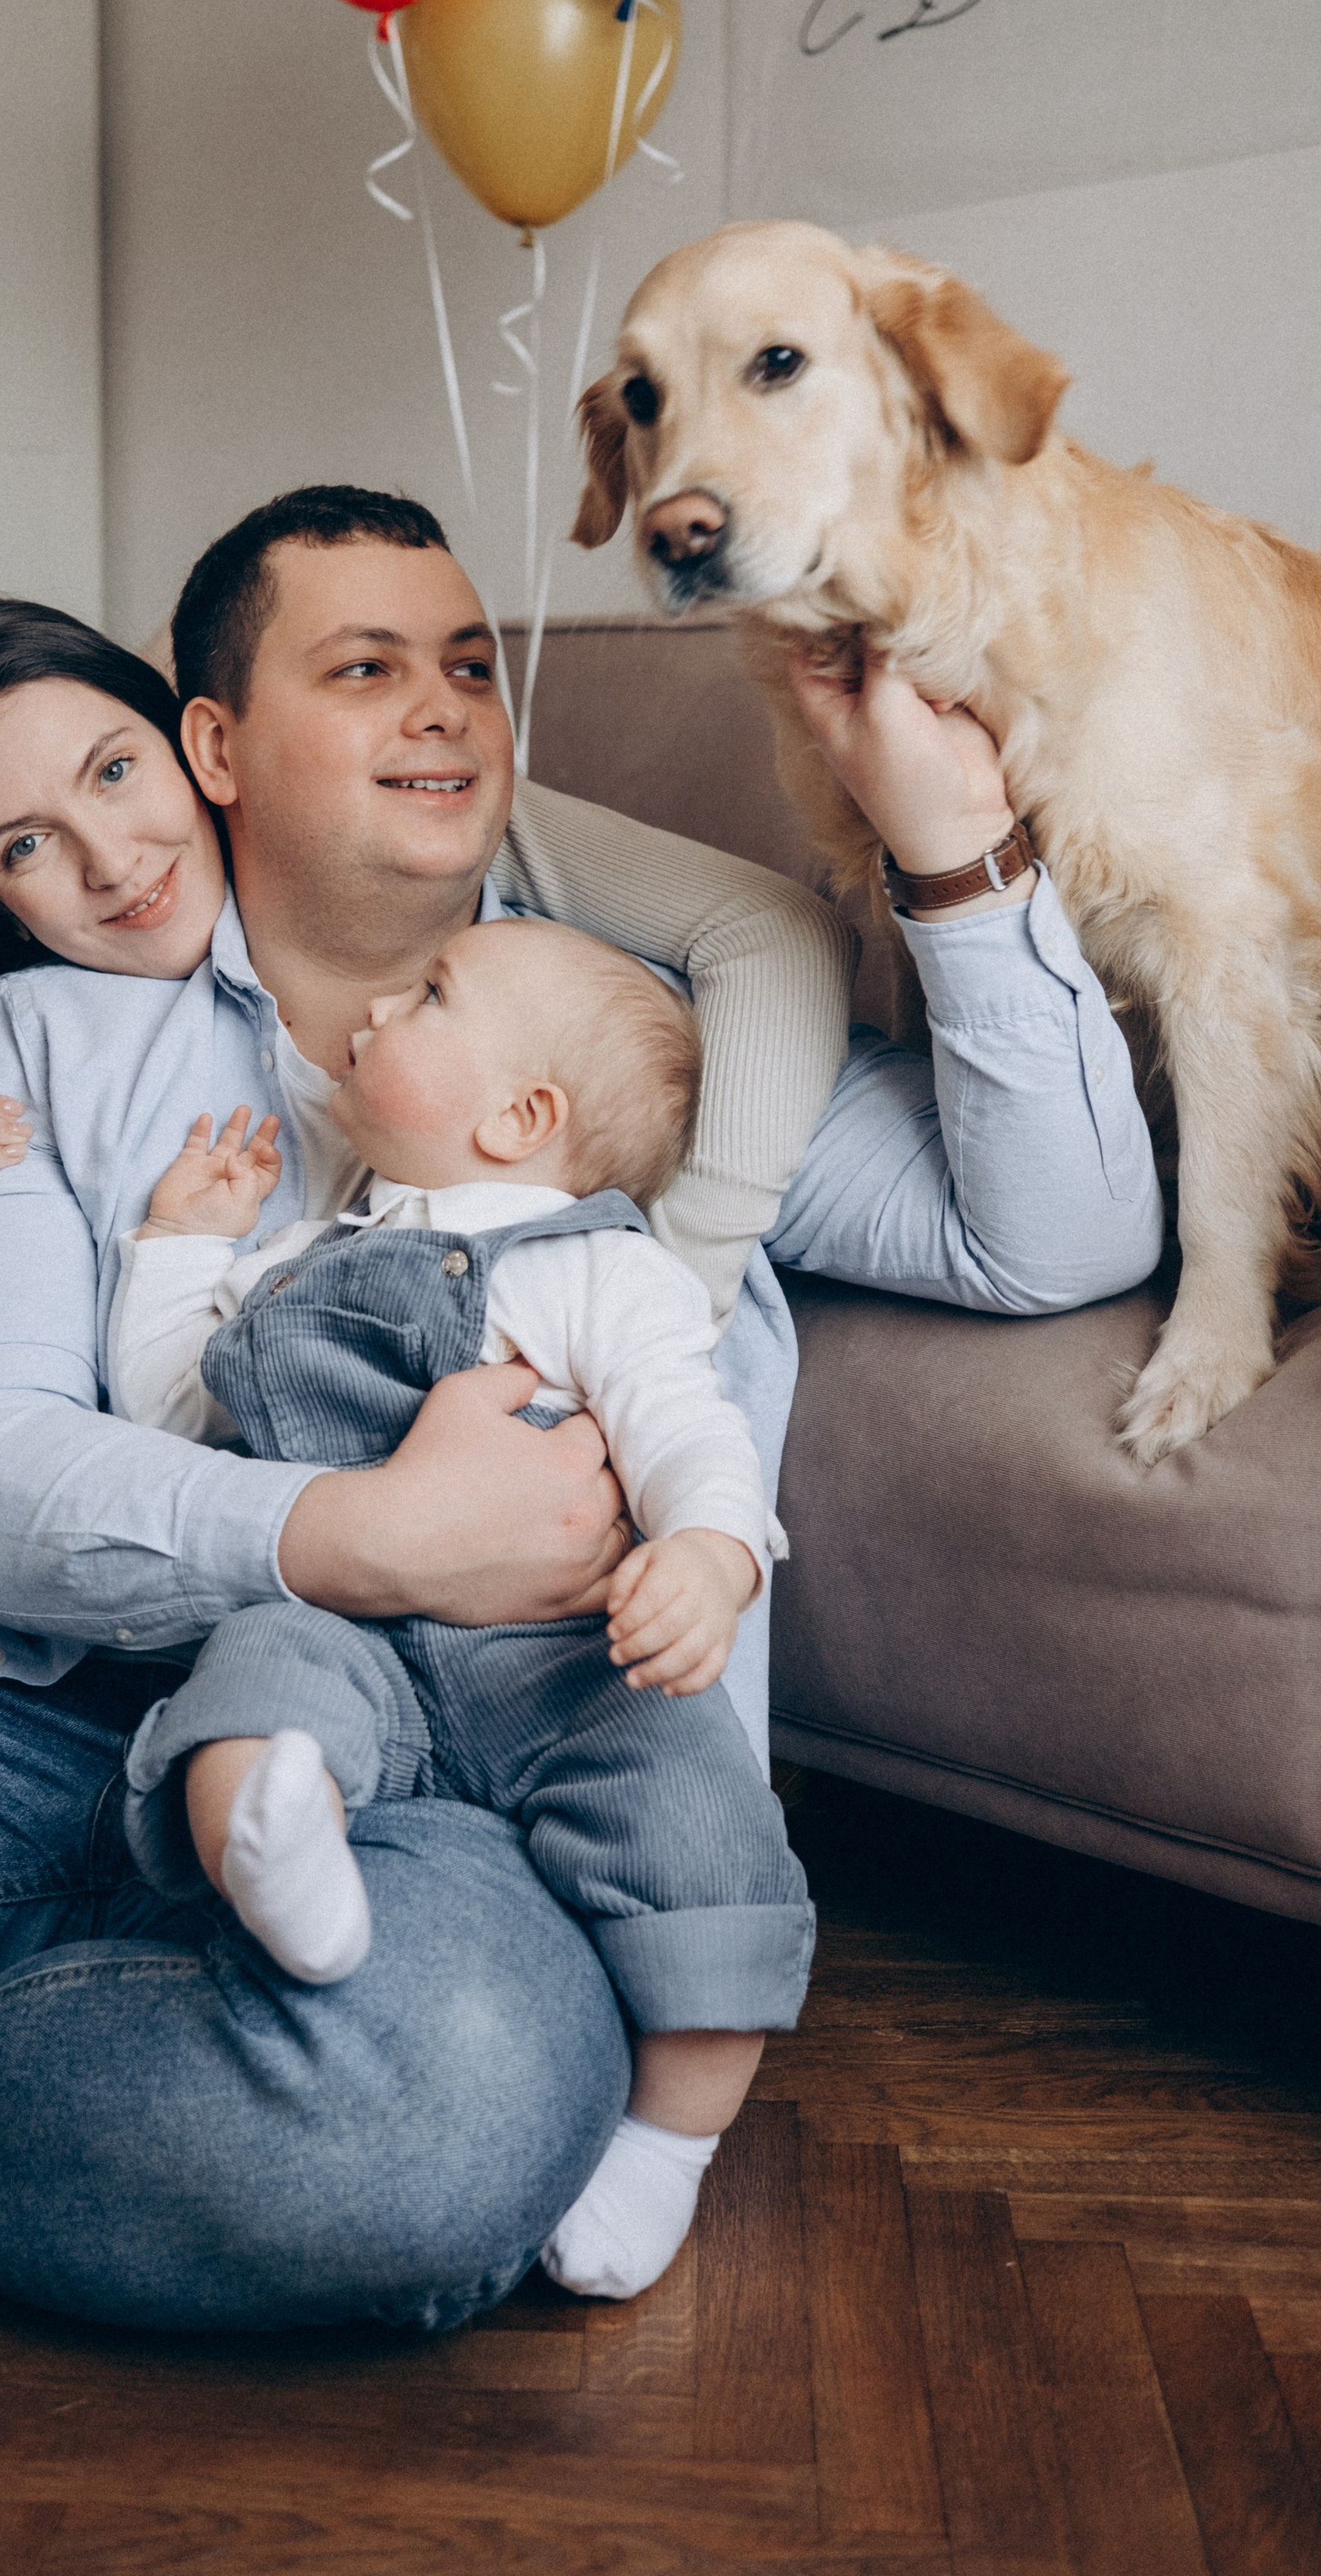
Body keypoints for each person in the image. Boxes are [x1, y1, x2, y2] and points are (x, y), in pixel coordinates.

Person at [0, 483, 1162, 2330]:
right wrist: (361, 1535)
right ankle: (52, 2007)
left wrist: (955, 854)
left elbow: (1057, 1241)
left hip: (449, 1792)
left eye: (469, 664)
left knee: (420, 2127)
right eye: (368, 666)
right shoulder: (38, 1041)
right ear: (213, 742)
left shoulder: (622, 1056)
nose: (443, 707)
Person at [109, 917, 813, 2304]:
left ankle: (668, 2145)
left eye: (429, 994)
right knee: (258, 1679)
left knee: (707, 1821)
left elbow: (688, 1425)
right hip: (353, 1626)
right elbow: (172, 1417)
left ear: (519, 1119)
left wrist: (712, 1557)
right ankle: (275, 1839)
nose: (380, 997)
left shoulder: (594, 1267)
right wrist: (180, 1253)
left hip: (553, 1661)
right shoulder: (300, 1258)